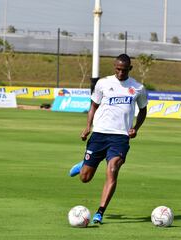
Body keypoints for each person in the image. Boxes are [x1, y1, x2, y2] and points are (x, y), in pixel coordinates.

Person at [69, 53, 148, 224]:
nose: (120, 73)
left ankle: (100, 212)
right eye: (118, 69)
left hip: (120, 137)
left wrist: (136, 128)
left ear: (130, 69)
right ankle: (84, 164)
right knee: (85, 178)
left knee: (112, 169)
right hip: (99, 135)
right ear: (114, 67)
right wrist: (88, 127)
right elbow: (93, 105)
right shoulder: (103, 83)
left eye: (124, 70)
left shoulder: (138, 87)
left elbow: (143, 110)